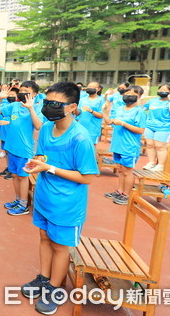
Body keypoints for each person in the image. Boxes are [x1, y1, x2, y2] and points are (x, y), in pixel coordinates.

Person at [21, 82, 98, 315]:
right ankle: (44, 278)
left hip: (67, 205)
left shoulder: (80, 138)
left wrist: (49, 167)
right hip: (45, 197)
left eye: (55, 104)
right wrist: (35, 164)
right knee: (44, 237)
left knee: (61, 246)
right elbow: (42, 156)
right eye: (46, 103)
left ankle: (56, 288)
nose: (48, 108)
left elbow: (86, 178)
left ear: (72, 107)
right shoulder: (46, 128)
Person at [0, 81, 43, 216]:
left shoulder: (37, 109)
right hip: (11, 147)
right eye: (21, 90)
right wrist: (0, 98)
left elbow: (38, 126)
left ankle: (23, 205)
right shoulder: (14, 105)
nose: (22, 93)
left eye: (26, 90)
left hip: (24, 150)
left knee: (23, 177)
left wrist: (31, 108)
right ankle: (18, 200)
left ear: (34, 94)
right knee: (15, 175)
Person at [102, 85, 146, 205]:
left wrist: (123, 123)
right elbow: (109, 122)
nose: (129, 94)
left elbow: (141, 130)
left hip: (129, 146)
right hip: (117, 144)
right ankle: (120, 191)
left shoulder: (139, 112)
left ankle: (127, 195)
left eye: (134, 93)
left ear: (139, 96)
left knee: (127, 171)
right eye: (128, 92)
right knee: (121, 170)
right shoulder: (120, 108)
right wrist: (105, 111)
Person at [142, 83, 170, 171]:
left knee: (160, 146)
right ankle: (151, 162)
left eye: (165, 90)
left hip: (164, 127)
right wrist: (140, 100)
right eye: (161, 89)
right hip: (149, 126)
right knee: (150, 145)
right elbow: (142, 109)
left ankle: (160, 165)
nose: (162, 91)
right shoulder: (153, 101)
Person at [0, 87, 18, 179]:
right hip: (5, 134)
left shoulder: (19, 107)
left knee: (13, 153)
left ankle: (13, 171)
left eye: (13, 95)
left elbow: (20, 121)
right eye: (9, 94)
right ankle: (9, 168)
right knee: (6, 152)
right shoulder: (6, 105)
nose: (11, 96)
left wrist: (9, 122)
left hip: (13, 135)